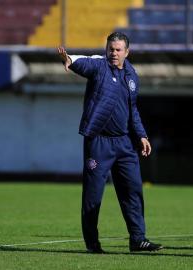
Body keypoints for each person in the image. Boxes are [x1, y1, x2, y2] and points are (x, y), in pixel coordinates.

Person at [57, 32, 162, 253]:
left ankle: (138, 239)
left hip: (125, 144)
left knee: (133, 191)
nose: (113, 53)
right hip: (99, 142)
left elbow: (133, 110)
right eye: (111, 49)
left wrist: (141, 135)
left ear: (127, 52)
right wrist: (71, 60)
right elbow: (85, 63)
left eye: (118, 50)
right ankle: (92, 243)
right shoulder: (100, 66)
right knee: (93, 196)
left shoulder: (132, 76)